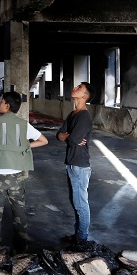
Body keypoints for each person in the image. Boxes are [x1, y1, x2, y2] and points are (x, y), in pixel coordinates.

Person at [0, 91, 48, 253]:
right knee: (19, 209)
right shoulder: (23, 124)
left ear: (7, 105)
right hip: (16, 173)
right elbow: (43, 140)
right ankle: (21, 244)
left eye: (1, 102)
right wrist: (26, 146)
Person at [56, 82, 96, 243]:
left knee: (80, 204)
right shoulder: (73, 114)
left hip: (80, 164)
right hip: (72, 163)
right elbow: (59, 135)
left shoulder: (84, 116)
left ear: (84, 96)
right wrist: (68, 136)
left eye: (79, 88)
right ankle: (79, 234)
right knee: (76, 202)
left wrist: (69, 136)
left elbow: (73, 140)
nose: (75, 88)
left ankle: (82, 239)